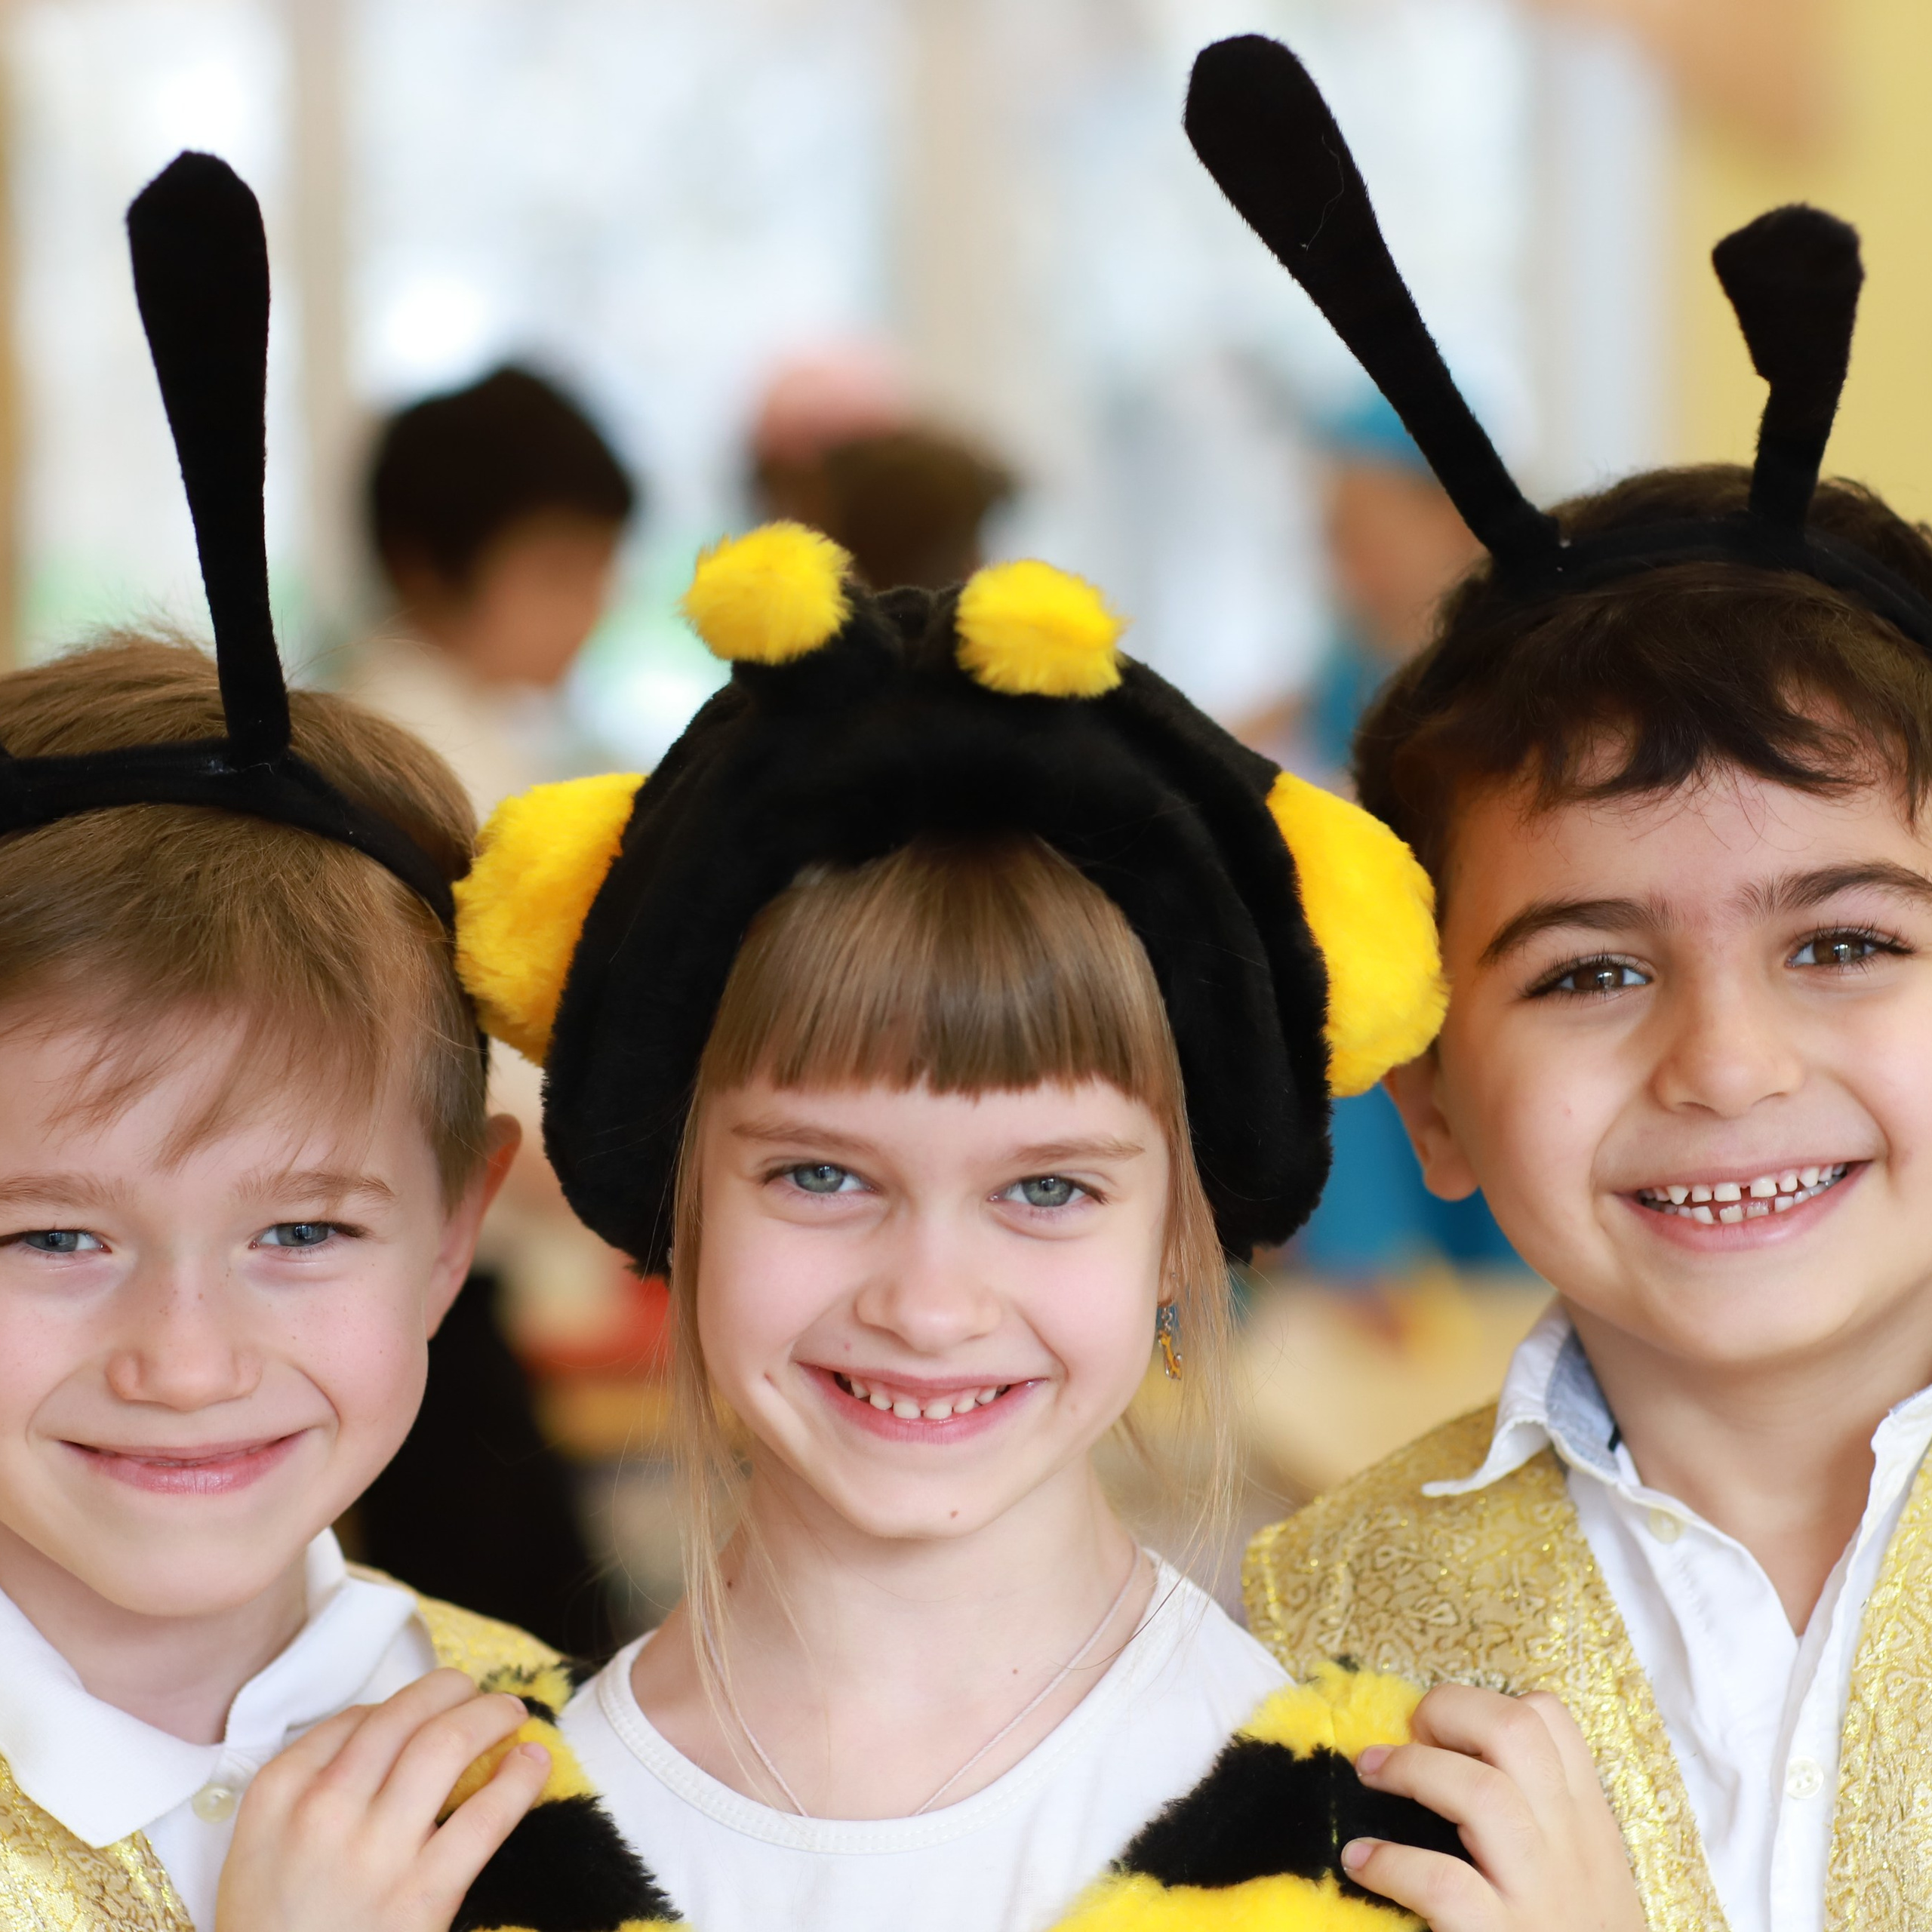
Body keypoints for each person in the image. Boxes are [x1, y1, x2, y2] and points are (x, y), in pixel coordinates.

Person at [448, 519, 1648, 1930]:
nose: (932, 1300)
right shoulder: (459, 1853)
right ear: (676, 1188)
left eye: (1048, 1189)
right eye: (821, 1177)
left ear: (1181, 1234)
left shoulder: (1414, 1848)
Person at [1189, 32, 1932, 1931]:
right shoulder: (1312, 1630)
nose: (1724, 1059)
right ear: (1425, 1086)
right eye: (1592, 969)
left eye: (1841, 941)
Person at [0, 152, 660, 1930]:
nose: (185, 1357)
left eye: (300, 1229)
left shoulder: (566, 1747)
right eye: (54, 1233)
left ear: (458, 1225)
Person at [351, 365, 641, 1659]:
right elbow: (469, 1064)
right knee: (523, 1655)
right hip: (429, 1279)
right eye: (560, 570)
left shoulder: (483, 731)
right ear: (428, 565)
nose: (591, 609)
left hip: (463, 1258)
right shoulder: (411, 755)